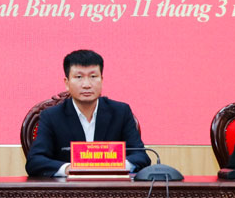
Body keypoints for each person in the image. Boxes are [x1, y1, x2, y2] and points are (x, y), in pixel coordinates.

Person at [25, 49, 151, 177]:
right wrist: (69, 168)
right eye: (79, 77)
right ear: (67, 83)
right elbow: (35, 161)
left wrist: (115, 166)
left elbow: (141, 157)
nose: (86, 85)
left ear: (101, 80)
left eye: (93, 77)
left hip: (110, 187)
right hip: (69, 188)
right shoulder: (51, 116)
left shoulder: (120, 112)